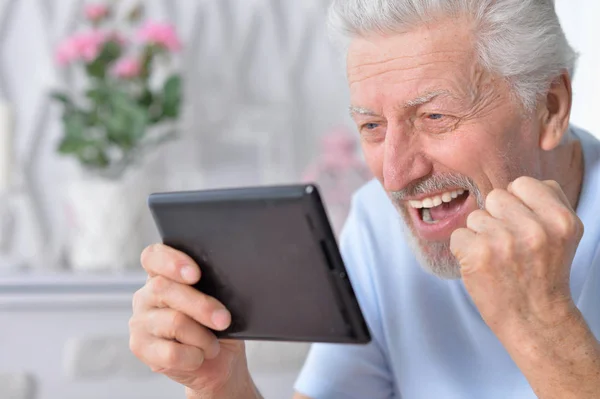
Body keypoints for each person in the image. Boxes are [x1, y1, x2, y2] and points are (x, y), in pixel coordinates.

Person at [128, 0, 600, 398]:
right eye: (372, 126)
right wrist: (221, 386)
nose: (395, 174)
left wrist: (545, 325)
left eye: (435, 116)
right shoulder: (377, 220)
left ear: (549, 107)